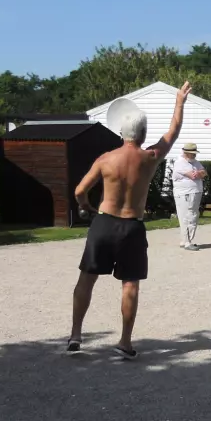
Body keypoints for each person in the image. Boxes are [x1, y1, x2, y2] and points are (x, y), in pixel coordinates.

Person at [67, 82, 192, 358]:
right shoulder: (150, 157)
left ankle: (75, 335)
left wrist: (86, 206)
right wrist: (179, 102)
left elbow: (79, 191)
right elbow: (173, 132)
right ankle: (124, 342)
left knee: (86, 279)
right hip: (132, 227)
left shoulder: (105, 159)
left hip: (103, 223)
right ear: (143, 133)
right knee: (130, 285)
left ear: (121, 132)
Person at [172, 143, 207, 251]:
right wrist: (198, 173)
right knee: (187, 217)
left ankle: (185, 240)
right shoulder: (180, 163)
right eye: (192, 153)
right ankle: (187, 242)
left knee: (192, 215)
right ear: (186, 153)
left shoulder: (195, 162)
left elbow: (204, 173)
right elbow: (193, 175)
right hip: (185, 193)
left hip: (195, 192)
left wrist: (200, 173)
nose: (194, 155)